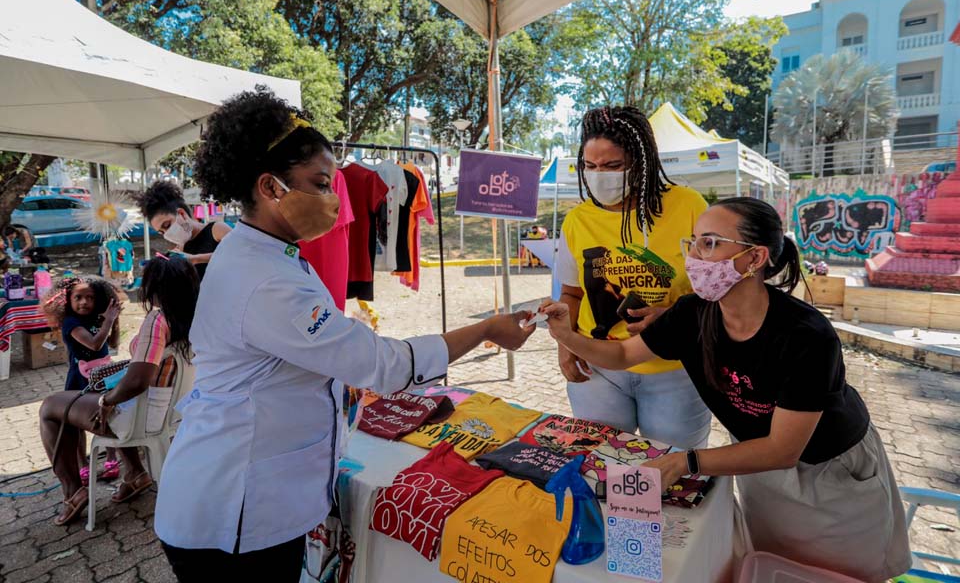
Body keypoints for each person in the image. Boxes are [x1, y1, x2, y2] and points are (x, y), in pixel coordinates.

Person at [153, 89, 535, 581]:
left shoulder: (267, 253)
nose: (334, 199)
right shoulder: (265, 276)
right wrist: (485, 329)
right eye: (320, 183)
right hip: (234, 513)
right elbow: (384, 365)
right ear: (270, 187)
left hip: (245, 496)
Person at [541, 197, 910, 582]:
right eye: (694, 242)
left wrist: (685, 462)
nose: (694, 257)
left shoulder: (806, 337)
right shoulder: (692, 313)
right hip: (758, 465)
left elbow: (783, 450)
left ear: (754, 258)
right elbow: (620, 355)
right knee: (770, 565)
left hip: (830, 476)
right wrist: (567, 335)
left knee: (836, 574)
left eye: (711, 243)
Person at [555, 105, 711, 449]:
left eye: (613, 166)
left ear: (642, 163)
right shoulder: (577, 221)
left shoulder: (689, 207)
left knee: (676, 469)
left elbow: (719, 292)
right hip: (597, 369)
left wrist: (674, 317)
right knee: (604, 462)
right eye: (590, 166)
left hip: (675, 370)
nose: (600, 176)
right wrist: (565, 345)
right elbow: (570, 293)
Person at [38, 255, 200, 525]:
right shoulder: (197, 316)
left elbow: (138, 380)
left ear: (153, 289)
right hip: (171, 412)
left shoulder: (158, 320)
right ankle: (136, 473)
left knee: (51, 406)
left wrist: (107, 400)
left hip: (142, 417)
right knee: (90, 397)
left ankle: (72, 491)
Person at [41, 276, 123, 496]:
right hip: (81, 378)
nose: (84, 302)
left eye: (90, 297)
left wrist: (110, 320)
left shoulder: (98, 317)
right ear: (68, 300)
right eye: (78, 297)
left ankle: (112, 459)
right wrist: (109, 320)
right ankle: (82, 465)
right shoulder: (70, 322)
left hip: (104, 375)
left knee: (107, 416)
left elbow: (110, 344)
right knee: (76, 425)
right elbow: (95, 344)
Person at [135, 180, 231, 281]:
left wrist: (196, 259)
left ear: (181, 213)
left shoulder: (216, 230)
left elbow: (242, 254)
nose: (167, 234)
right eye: (162, 232)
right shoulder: (180, 250)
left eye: (167, 225)